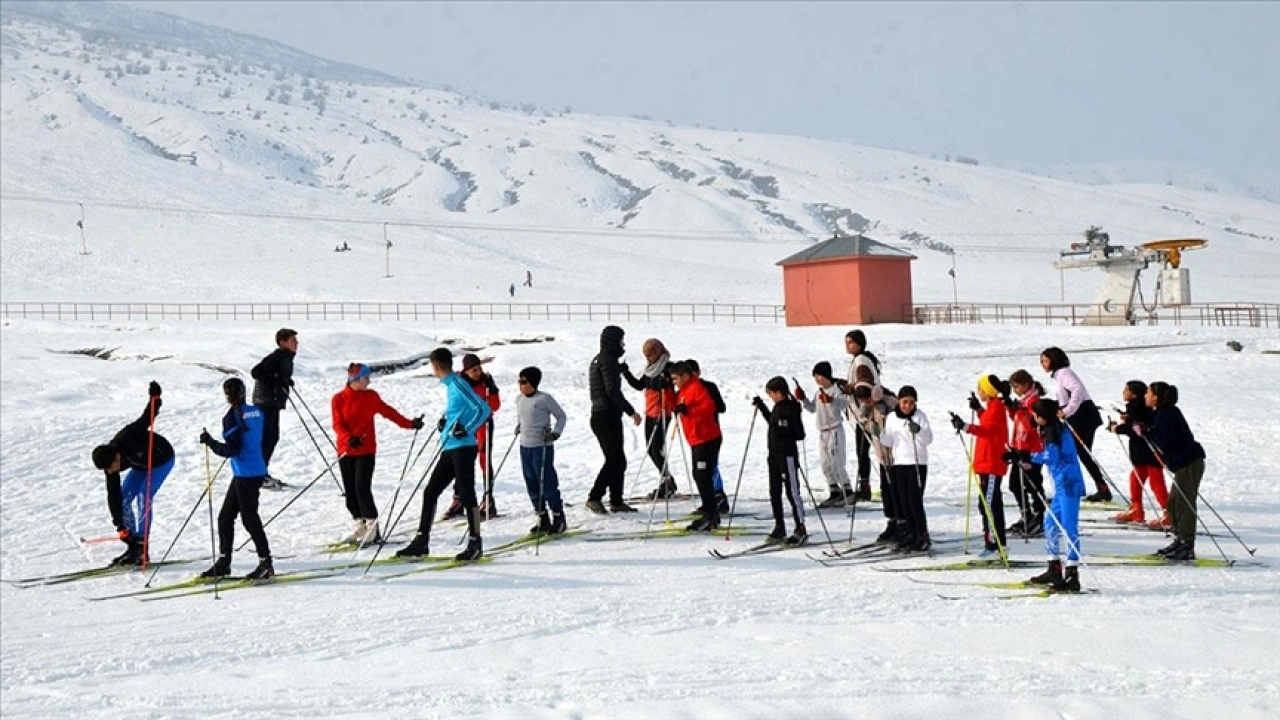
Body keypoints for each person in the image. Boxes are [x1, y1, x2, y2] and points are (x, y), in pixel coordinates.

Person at [396, 348, 493, 561]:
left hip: (463, 448)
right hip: (450, 447)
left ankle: (476, 543)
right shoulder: (451, 385)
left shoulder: (457, 383)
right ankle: (421, 541)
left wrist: (466, 428)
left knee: (467, 495)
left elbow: (484, 410)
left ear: (436, 366)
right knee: (430, 492)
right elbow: (458, 410)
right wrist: (445, 421)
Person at [330, 363, 423, 545]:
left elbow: (389, 413)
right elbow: (337, 424)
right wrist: (348, 439)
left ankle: (372, 526)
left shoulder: (371, 397)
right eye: (366, 378)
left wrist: (410, 424)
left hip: (366, 450)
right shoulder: (338, 399)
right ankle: (360, 523)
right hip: (346, 449)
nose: (369, 381)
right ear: (354, 380)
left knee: (361, 488)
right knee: (350, 491)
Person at [198, 378, 275, 580]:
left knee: (249, 519)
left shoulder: (231, 417)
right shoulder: (257, 412)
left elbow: (231, 449)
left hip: (246, 474)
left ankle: (266, 563)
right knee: (225, 516)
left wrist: (210, 442)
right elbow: (267, 438)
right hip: (253, 470)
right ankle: (224, 562)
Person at [91, 381, 173, 567]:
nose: (111, 472)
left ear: (117, 457)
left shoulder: (127, 436)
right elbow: (113, 496)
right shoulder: (110, 465)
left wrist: (155, 399)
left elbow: (147, 418)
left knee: (144, 496)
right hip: (142, 466)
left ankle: (143, 545)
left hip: (162, 459)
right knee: (125, 496)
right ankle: (134, 545)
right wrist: (120, 526)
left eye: (112, 468)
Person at [1014, 398, 1086, 592]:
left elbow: (1051, 457)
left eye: (1035, 416)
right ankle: (1054, 566)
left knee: (1070, 527)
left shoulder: (1054, 431)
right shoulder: (1052, 428)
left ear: (1042, 417)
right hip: (1061, 486)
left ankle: (1072, 573)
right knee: (1050, 523)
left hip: (1069, 484)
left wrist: (1028, 456)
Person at [1137, 382, 1205, 561]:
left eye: (1148, 393)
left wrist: (1147, 432)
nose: (1146, 396)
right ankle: (1179, 540)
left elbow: (1167, 441)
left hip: (1189, 463)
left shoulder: (1166, 414)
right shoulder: (1162, 413)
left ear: (1156, 397)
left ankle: (1187, 544)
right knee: (1173, 503)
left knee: (1184, 503)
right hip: (1184, 464)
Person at [949, 374, 1010, 558]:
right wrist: (978, 409)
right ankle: (994, 542)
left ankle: (994, 545)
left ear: (988, 391)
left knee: (988, 505)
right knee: (987, 503)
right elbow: (988, 422)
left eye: (981, 389)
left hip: (992, 463)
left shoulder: (997, 407)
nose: (979, 391)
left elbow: (988, 430)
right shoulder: (992, 407)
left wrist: (965, 426)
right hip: (985, 462)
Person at [585, 325, 643, 514]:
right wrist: (631, 411)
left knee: (618, 459)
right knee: (614, 459)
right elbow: (612, 391)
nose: (623, 344)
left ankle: (616, 500)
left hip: (601, 415)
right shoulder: (607, 361)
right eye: (621, 341)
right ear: (612, 341)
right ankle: (595, 497)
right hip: (606, 416)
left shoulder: (600, 360)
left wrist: (621, 370)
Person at [1040, 347, 1109, 502]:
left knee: (1074, 452)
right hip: (1080, 416)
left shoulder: (1064, 373)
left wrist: (1068, 410)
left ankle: (1072, 489)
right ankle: (1099, 487)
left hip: (1082, 417)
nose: (1043, 364)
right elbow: (1066, 397)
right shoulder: (1059, 375)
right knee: (1081, 453)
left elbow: (1077, 390)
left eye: (1045, 360)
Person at [442, 354, 502, 520]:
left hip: (484, 426)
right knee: (461, 461)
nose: (478, 372)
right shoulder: (460, 383)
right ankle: (458, 498)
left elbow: (494, 406)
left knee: (484, 460)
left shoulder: (486, 382)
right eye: (474, 370)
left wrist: (494, 390)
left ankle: (488, 499)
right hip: (465, 428)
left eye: (479, 368)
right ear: (466, 371)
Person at [752, 378, 807, 545]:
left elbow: (799, 434)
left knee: (792, 492)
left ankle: (800, 527)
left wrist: (785, 428)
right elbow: (773, 421)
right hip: (774, 455)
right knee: (774, 492)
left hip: (787, 456)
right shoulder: (777, 407)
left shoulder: (791, 408)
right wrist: (762, 407)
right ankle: (779, 526)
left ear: (778, 392)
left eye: (770, 394)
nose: (770, 397)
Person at [669, 361, 723, 531]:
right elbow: (675, 405)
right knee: (699, 475)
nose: (674, 382)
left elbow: (710, 406)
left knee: (703, 476)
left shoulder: (697, 387)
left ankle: (711, 514)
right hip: (696, 439)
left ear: (685, 376)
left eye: (675, 378)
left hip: (707, 439)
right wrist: (667, 390)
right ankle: (709, 511)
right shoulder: (684, 390)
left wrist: (689, 411)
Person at [621, 338, 678, 499]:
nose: (648, 358)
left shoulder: (668, 366)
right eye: (646, 355)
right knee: (650, 448)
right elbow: (640, 385)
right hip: (651, 412)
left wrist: (663, 383)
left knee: (656, 448)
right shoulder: (651, 369)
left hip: (663, 411)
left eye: (650, 354)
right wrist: (626, 372)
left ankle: (667, 481)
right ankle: (666, 479)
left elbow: (670, 383)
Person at [514, 366, 568, 535]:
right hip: (525, 446)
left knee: (546, 481)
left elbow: (561, 416)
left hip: (541, 446)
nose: (521, 385)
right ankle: (542, 517)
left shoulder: (544, 399)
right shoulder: (519, 399)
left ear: (534, 383)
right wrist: (519, 426)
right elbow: (522, 417)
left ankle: (558, 516)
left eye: (524, 382)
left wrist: (555, 433)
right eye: (519, 382)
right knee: (531, 481)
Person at [878, 385, 933, 552]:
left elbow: (928, 439)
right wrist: (879, 435)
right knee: (902, 501)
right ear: (899, 401)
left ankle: (922, 534)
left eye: (911, 402)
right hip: (899, 463)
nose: (907, 406)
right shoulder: (892, 418)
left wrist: (919, 431)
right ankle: (909, 532)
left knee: (914, 500)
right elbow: (889, 441)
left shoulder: (919, 416)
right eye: (904, 402)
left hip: (917, 463)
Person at [1109, 380, 1169, 527]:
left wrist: (1117, 429)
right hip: (1141, 453)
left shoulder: (1137, 407)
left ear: (1134, 394)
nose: (1123, 392)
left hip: (1148, 452)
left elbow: (1138, 431)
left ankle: (1169, 513)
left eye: (1126, 390)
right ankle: (1136, 509)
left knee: (1156, 483)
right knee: (1136, 479)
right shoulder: (1138, 406)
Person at [796, 362, 853, 507]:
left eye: (819, 376)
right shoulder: (819, 392)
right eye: (815, 376)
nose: (817, 379)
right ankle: (834, 490)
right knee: (826, 463)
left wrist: (832, 400)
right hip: (822, 432)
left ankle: (847, 490)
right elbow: (812, 408)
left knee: (837, 462)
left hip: (834, 430)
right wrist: (803, 399)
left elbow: (845, 403)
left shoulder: (835, 390)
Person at [250, 328, 297, 490]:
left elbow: (277, 375)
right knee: (267, 438)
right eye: (293, 341)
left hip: (272, 402)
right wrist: (277, 379)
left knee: (272, 437)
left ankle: (261, 472)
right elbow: (256, 372)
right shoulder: (276, 357)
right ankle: (258, 474)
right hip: (265, 402)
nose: (296, 344)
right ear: (283, 342)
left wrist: (285, 380)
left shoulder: (286, 358)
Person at [852, 383, 899, 542]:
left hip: (897, 456)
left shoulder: (890, 404)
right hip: (883, 455)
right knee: (886, 488)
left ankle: (903, 522)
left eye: (868, 400)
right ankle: (891, 520)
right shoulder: (866, 409)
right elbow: (867, 426)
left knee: (896, 489)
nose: (867, 403)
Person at [686, 358, 731, 515]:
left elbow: (721, 407)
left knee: (711, 468)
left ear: (698, 373)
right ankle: (709, 500)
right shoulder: (686, 390)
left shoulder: (708, 387)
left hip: (710, 433)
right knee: (700, 472)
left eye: (693, 374)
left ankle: (718, 497)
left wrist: (702, 408)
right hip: (695, 434)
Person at [841, 329, 882, 502]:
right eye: (846, 342)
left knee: (870, 450)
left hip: (867, 413)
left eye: (850, 342)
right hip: (864, 413)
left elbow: (863, 385)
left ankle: (867, 487)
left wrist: (848, 388)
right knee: (867, 450)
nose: (847, 345)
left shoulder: (861, 361)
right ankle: (869, 485)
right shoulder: (860, 360)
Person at [1005, 370, 1046, 537]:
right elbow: (1015, 418)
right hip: (1019, 447)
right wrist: (1011, 406)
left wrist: (1021, 409)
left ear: (1026, 385)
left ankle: (1039, 515)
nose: (1015, 390)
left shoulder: (1034, 400)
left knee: (1032, 483)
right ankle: (1026, 513)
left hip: (1031, 449)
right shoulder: (1024, 400)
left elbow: (1033, 421)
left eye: (1016, 386)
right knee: (1015, 484)